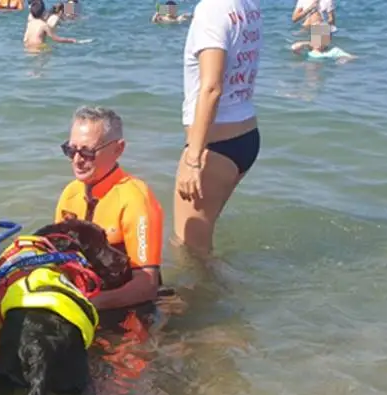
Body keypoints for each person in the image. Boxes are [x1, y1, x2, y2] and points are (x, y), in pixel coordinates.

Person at [54, 106, 164, 309]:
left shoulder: (136, 200)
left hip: (131, 305)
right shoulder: (70, 194)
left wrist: (87, 304)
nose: (77, 160)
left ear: (118, 149)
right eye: (71, 150)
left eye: (87, 151)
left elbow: (146, 285)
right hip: (84, 299)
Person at [175, 0, 262, 255]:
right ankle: (224, 293)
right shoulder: (249, 4)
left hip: (213, 147)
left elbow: (211, 88)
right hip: (246, 134)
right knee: (202, 240)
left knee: (189, 249)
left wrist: (193, 159)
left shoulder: (212, 9)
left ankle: (209, 294)